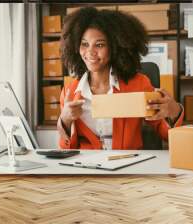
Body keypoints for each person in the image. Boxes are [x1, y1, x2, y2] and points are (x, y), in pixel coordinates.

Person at [57, 7, 184, 150]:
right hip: (88, 166)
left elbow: (168, 136)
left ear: (115, 46)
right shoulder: (70, 91)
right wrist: (65, 120)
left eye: (99, 45)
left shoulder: (139, 84)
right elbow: (67, 149)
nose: (90, 52)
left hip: (129, 164)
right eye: (84, 44)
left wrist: (174, 111)